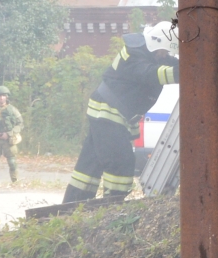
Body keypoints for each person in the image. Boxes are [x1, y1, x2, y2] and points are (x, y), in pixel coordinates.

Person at [63, 21, 178, 204]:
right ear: (156, 44)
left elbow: (166, 62)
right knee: (120, 162)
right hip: (108, 112)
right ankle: (113, 206)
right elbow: (151, 74)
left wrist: (187, 63)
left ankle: (72, 206)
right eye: (164, 51)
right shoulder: (134, 56)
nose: (165, 55)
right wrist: (188, 72)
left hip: (110, 112)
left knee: (89, 166)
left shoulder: (148, 51)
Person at [0, 86, 25, 185]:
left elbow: (20, 124)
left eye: (3, 96)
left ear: (7, 97)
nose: (2, 98)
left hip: (8, 139)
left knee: (12, 162)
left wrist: (9, 133)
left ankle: (15, 181)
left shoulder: (12, 110)